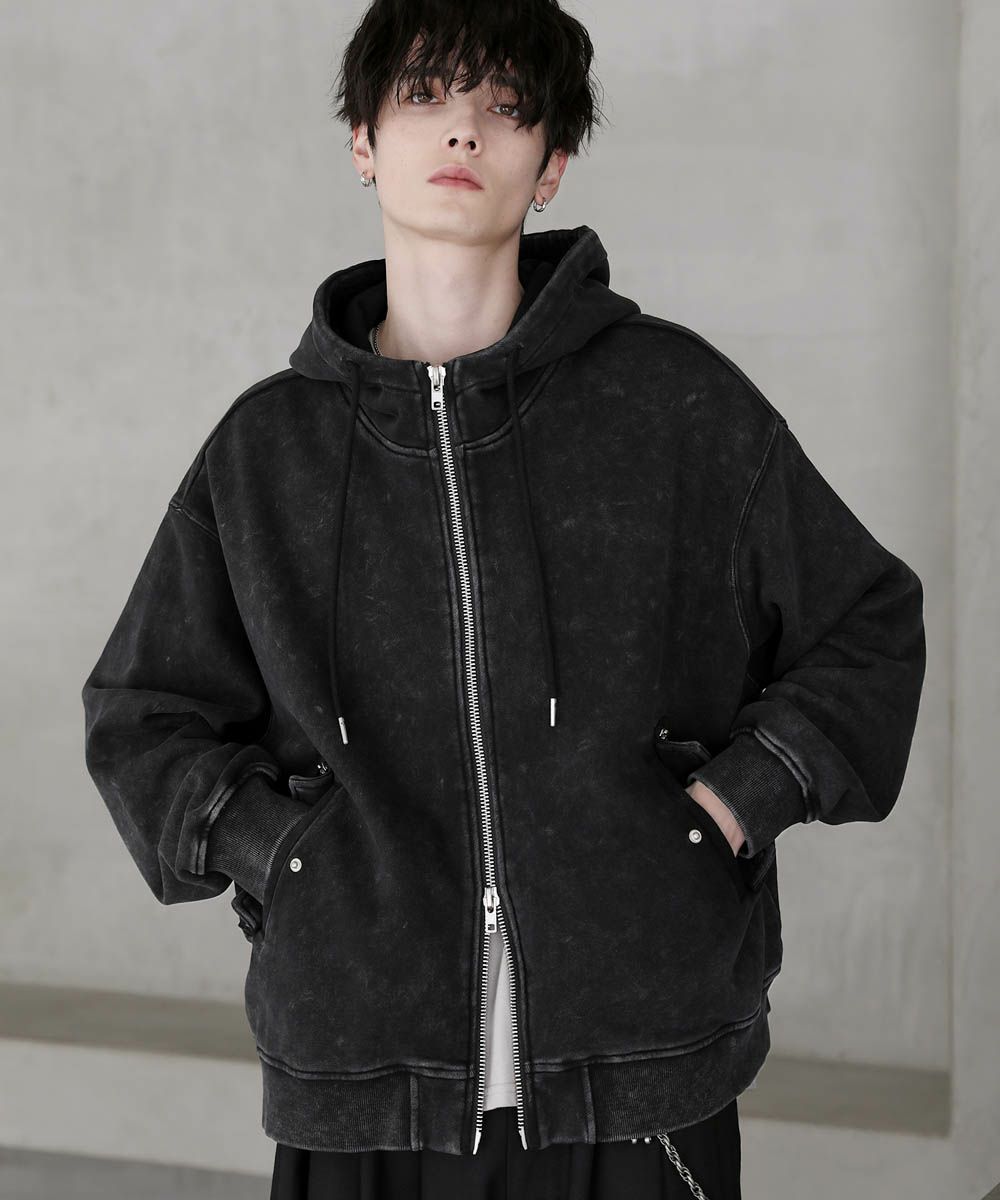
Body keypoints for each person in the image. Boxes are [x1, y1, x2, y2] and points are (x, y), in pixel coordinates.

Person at [80, 1, 927, 1197]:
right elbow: (140, 717)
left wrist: (727, 811)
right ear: (363, 141)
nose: (463, 130)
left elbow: (867, 627)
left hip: (640, 1068)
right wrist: (286, 856)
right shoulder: (267, 453)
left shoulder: (674, 404)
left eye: (507, 107)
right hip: (363, 1079)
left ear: (551, 166)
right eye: (425, 95)